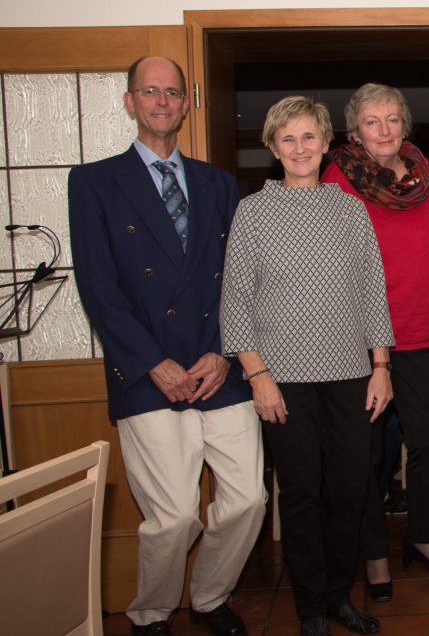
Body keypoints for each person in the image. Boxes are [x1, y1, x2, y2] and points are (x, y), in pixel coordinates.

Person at [68, 56, 265, 636]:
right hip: (147, 371)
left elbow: (239, 278)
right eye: (150, 91)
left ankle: (210, 598)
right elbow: (98, 287)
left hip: (217, 366)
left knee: (249, 500)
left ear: (185, 105)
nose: (161, 101)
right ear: (130, 101)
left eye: (172, 92)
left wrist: (223, 352)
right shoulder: (94, 182)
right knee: (174, 516)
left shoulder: (217, 183)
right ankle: (151, 613)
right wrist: (153, 362)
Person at [220, 96, 394, 636]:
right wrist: (258, 377)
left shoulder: (350, 210)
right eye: (288, 138)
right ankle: (310, 607)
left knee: (350, 491)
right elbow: (236, 302)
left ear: (326, 144)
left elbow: (372, 291)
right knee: (300, 495)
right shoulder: (253, 212)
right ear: (273, 147)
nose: (300, 148)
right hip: (283, 381)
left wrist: (381, 365)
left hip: (350, 376)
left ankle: (338, 594)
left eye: (309, 137)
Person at [322, 83, 429, 602]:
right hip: (359, 340)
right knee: (364, 453)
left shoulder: (423, 173)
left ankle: (421, 536)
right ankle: (375, 552)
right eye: (371, 121)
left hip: (416, 332)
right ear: (355, 132)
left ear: (405, 124)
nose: (384, 130)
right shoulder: (338, 177)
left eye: (392, 119)